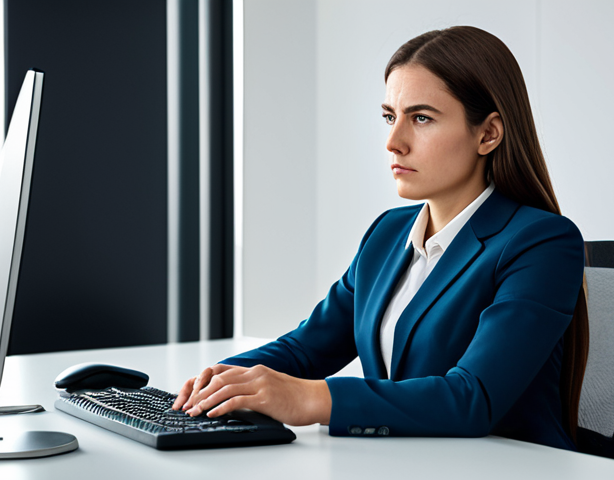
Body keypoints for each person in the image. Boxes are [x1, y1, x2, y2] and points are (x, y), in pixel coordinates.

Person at [172, 26, 589, 451]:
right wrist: (215, 383)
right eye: (390, 117)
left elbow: (472, 398)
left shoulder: (542, 243)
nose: (394, 142)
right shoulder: (388, 233)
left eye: (421, 118)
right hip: (403, 462)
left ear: (488, 134)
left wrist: (313, 398)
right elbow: (305, 351)